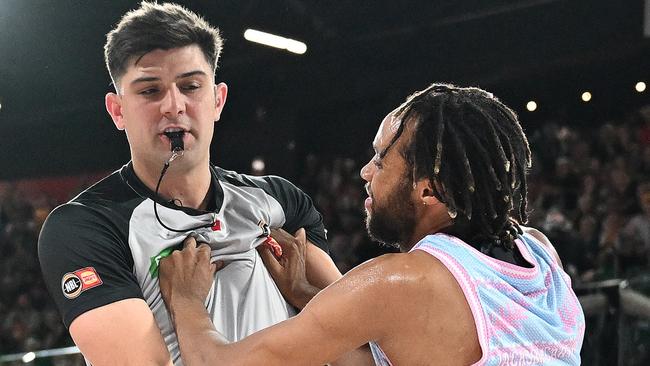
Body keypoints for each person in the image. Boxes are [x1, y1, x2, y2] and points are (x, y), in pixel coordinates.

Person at [159, 83, 586, 365]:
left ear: (428, 190)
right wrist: (306, 293)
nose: (366, 171)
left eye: (382, 159)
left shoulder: (402, 281)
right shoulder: (537, 250)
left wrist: (186, 302)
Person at [37, 2, 341, 365]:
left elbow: (353, 337)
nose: (173, 105)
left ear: (217, 99)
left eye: (191, 85)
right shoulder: (85, 228)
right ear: (118, 110)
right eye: (150, 91)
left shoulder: (280, 201)